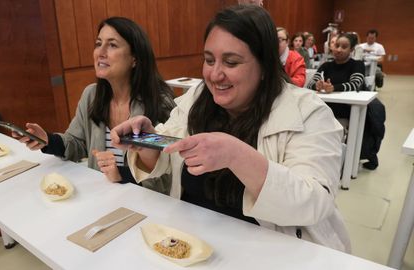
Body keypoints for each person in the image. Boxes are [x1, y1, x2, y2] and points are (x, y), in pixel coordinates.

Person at [112, 5, 350, 252]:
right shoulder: (196, 100)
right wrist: (148, 143)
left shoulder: (308, 112)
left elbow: (314, 203)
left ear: (265, 66)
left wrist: (236, 155)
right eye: (209, 60)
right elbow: (166, 161)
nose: (215, 75)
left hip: (274, 252)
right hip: (195, 245)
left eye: (231, 62)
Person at [14, 17, 175, 194]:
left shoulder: (160, 101)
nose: (100, 52)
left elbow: (169, 171)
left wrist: (122, 174)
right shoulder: (91, 95)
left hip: (147, 204)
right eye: (98, 44)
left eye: (112, 45)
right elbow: (76, 143)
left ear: (134, 59)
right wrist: (47, 140)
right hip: (99, 196)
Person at [307, 33, 365, 119]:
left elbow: (355, 84)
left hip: (348, 109)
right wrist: (317, 85)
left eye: (344, 47)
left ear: (351, 49)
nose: (339, 50)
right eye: (337, 46)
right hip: (324, 108)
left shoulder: (357, 65)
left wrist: (333, 88)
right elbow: (310, 84)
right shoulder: (326, 65)